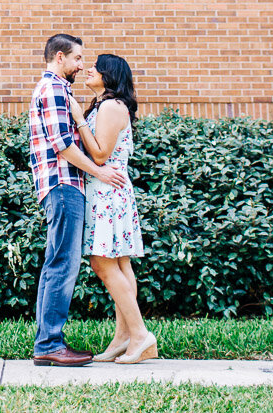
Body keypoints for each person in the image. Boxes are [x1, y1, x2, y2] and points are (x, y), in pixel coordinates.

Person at [28, 33, 127, 366]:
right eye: (78, 59)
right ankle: (50, 345)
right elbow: (63, 146)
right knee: (63, 264)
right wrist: (99, 173)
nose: (82, 65)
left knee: (56, 262)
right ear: (60, 57)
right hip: (63, 185)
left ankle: (47, 342)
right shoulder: (54, 89)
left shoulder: (56, 89)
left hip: (60, 186)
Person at [69, 53, 157, 363]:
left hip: (107, 192)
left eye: (96, 67)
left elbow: (101, 155)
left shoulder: (109, 106)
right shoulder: (111, 106)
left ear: (110, 75)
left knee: (103, 263)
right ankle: (125, 336)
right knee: (120, 264)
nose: (89, 69)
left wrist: (79, 119)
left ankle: (140, 334)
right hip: (112, 192)